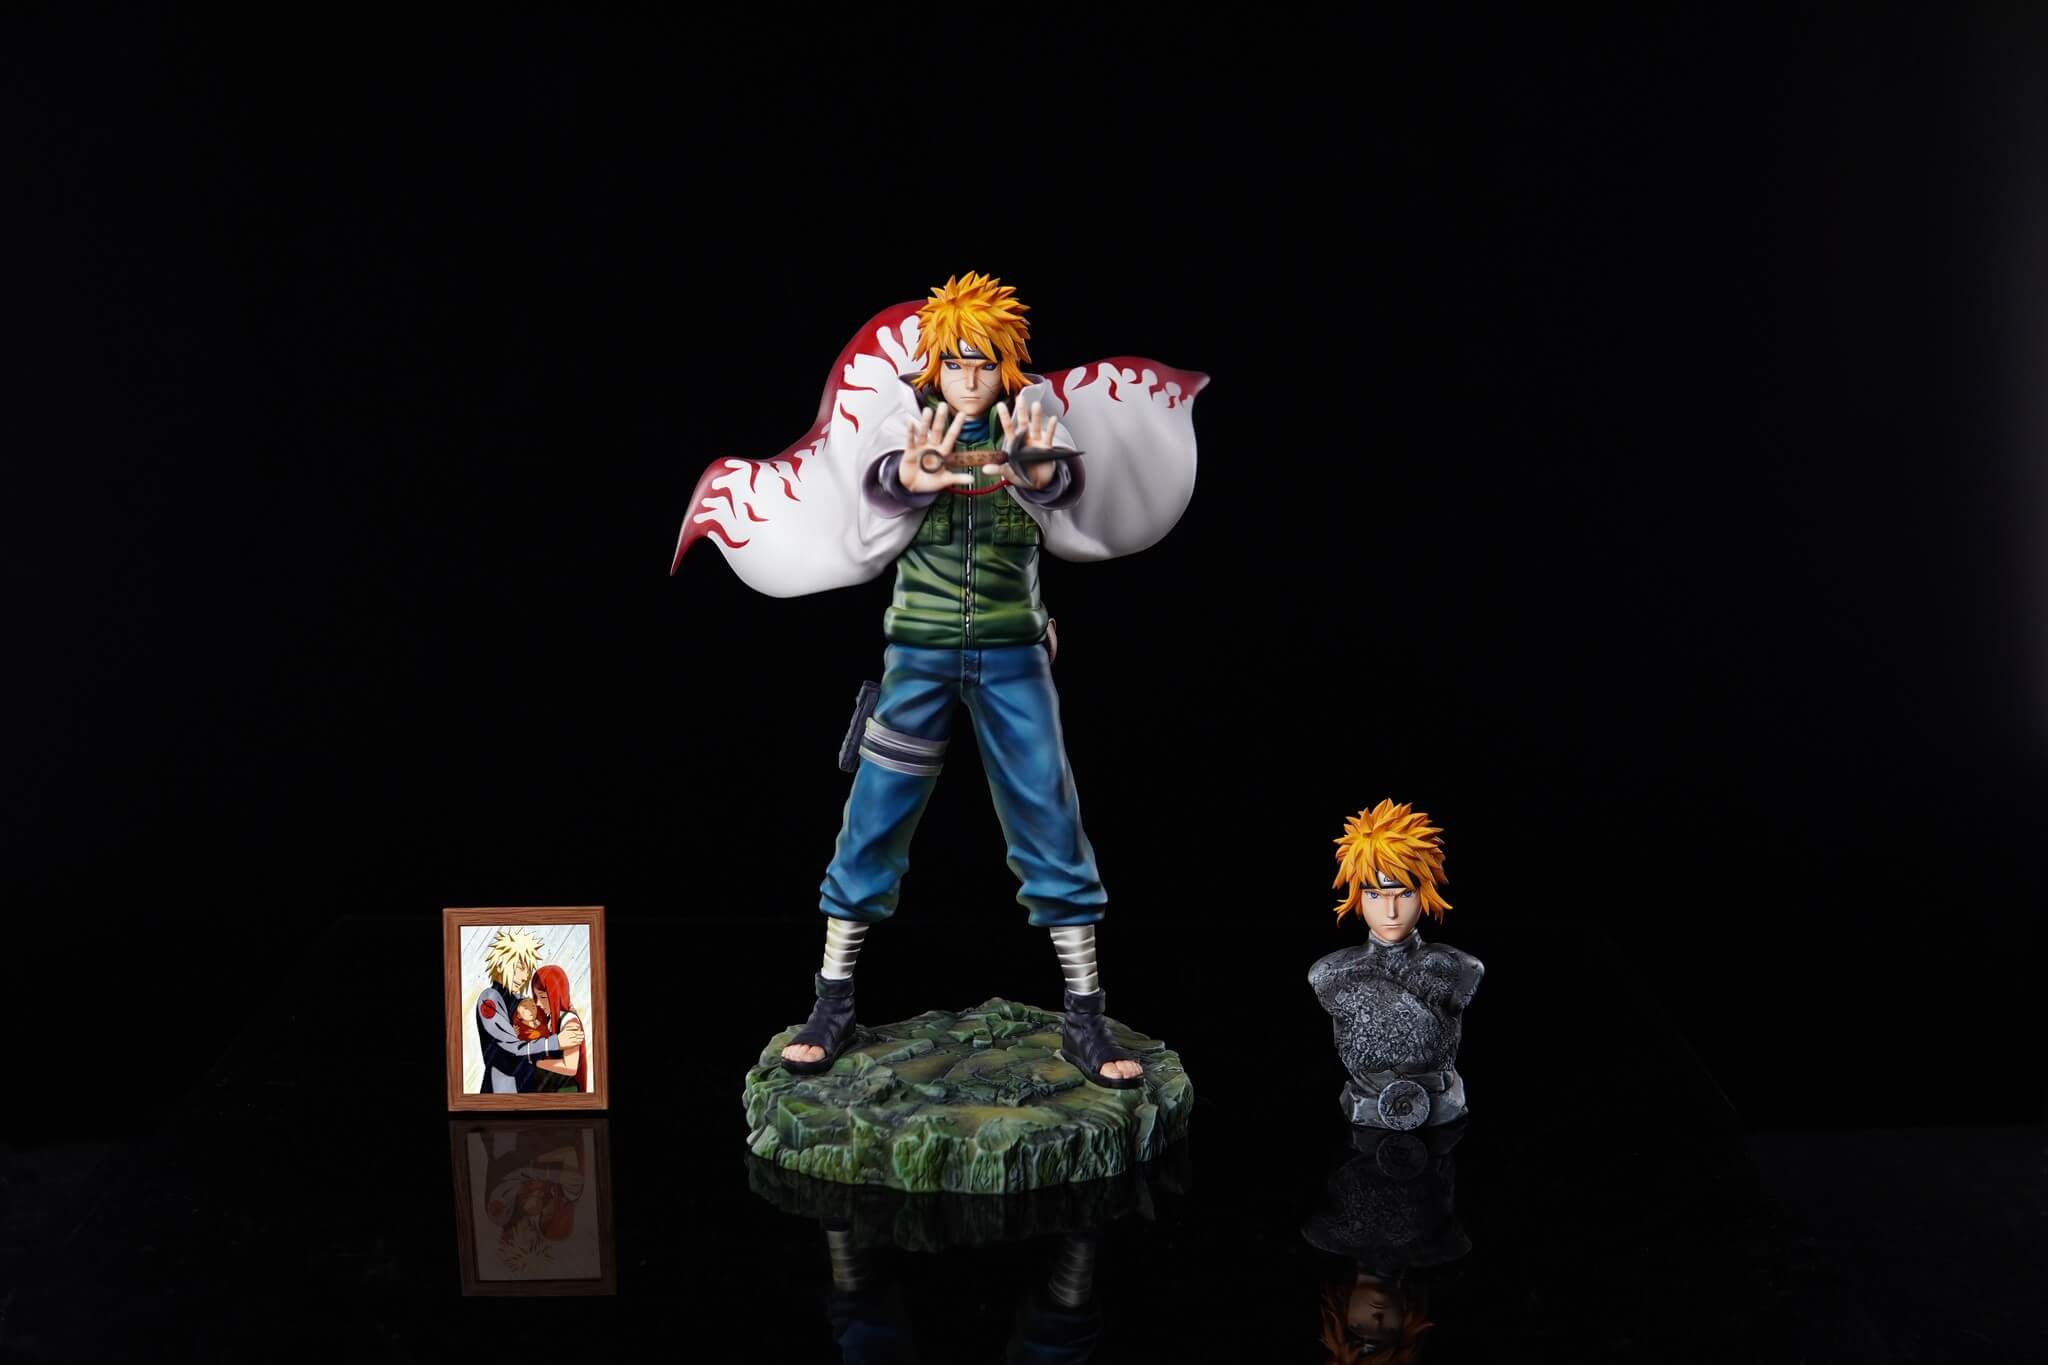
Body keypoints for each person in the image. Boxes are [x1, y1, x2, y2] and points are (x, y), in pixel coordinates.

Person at [675, 272, 1204, 1092]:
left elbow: (1068, 493)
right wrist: (908, 478)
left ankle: (1085, 1014)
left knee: (1051, 819)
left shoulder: (1034, 419)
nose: (968, 377)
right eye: (955, 362)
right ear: (934, 365)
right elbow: (876, 484)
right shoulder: (907, 421)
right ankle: (832, 1001)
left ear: (1006, 364)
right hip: (918, 655)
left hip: (1013, 654)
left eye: (983, 362)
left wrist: (1040, 474)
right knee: (874, 817)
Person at [1309, 801, 1484, 1129]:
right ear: (1357, 896)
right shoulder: (1331, 975)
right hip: (1364, 1112)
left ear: (1424, 892)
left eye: (1404, 894)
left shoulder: (1461, 968)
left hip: (1443, 1111)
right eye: (1375, 895)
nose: (1390, 911)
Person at [474, 927, 585, 1094]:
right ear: (501, 964)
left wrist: (565, 1014)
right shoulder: (490, 999)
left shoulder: (522, 1001)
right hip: (503, 1089)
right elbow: (510, 1048)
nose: (525, 976)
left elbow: (544, 1029)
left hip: (530, 1086)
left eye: (528, 969)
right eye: (520, 967)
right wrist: (556, 1042)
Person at [526, 963, 587, 1094]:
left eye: (542, 997)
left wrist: (537, 1062)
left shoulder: (569, 1021)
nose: (537, 1003)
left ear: (556, 994)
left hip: (565, 1091)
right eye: (536, 997)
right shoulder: (548, 1018)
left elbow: (570, 1067)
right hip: (550, 1087)